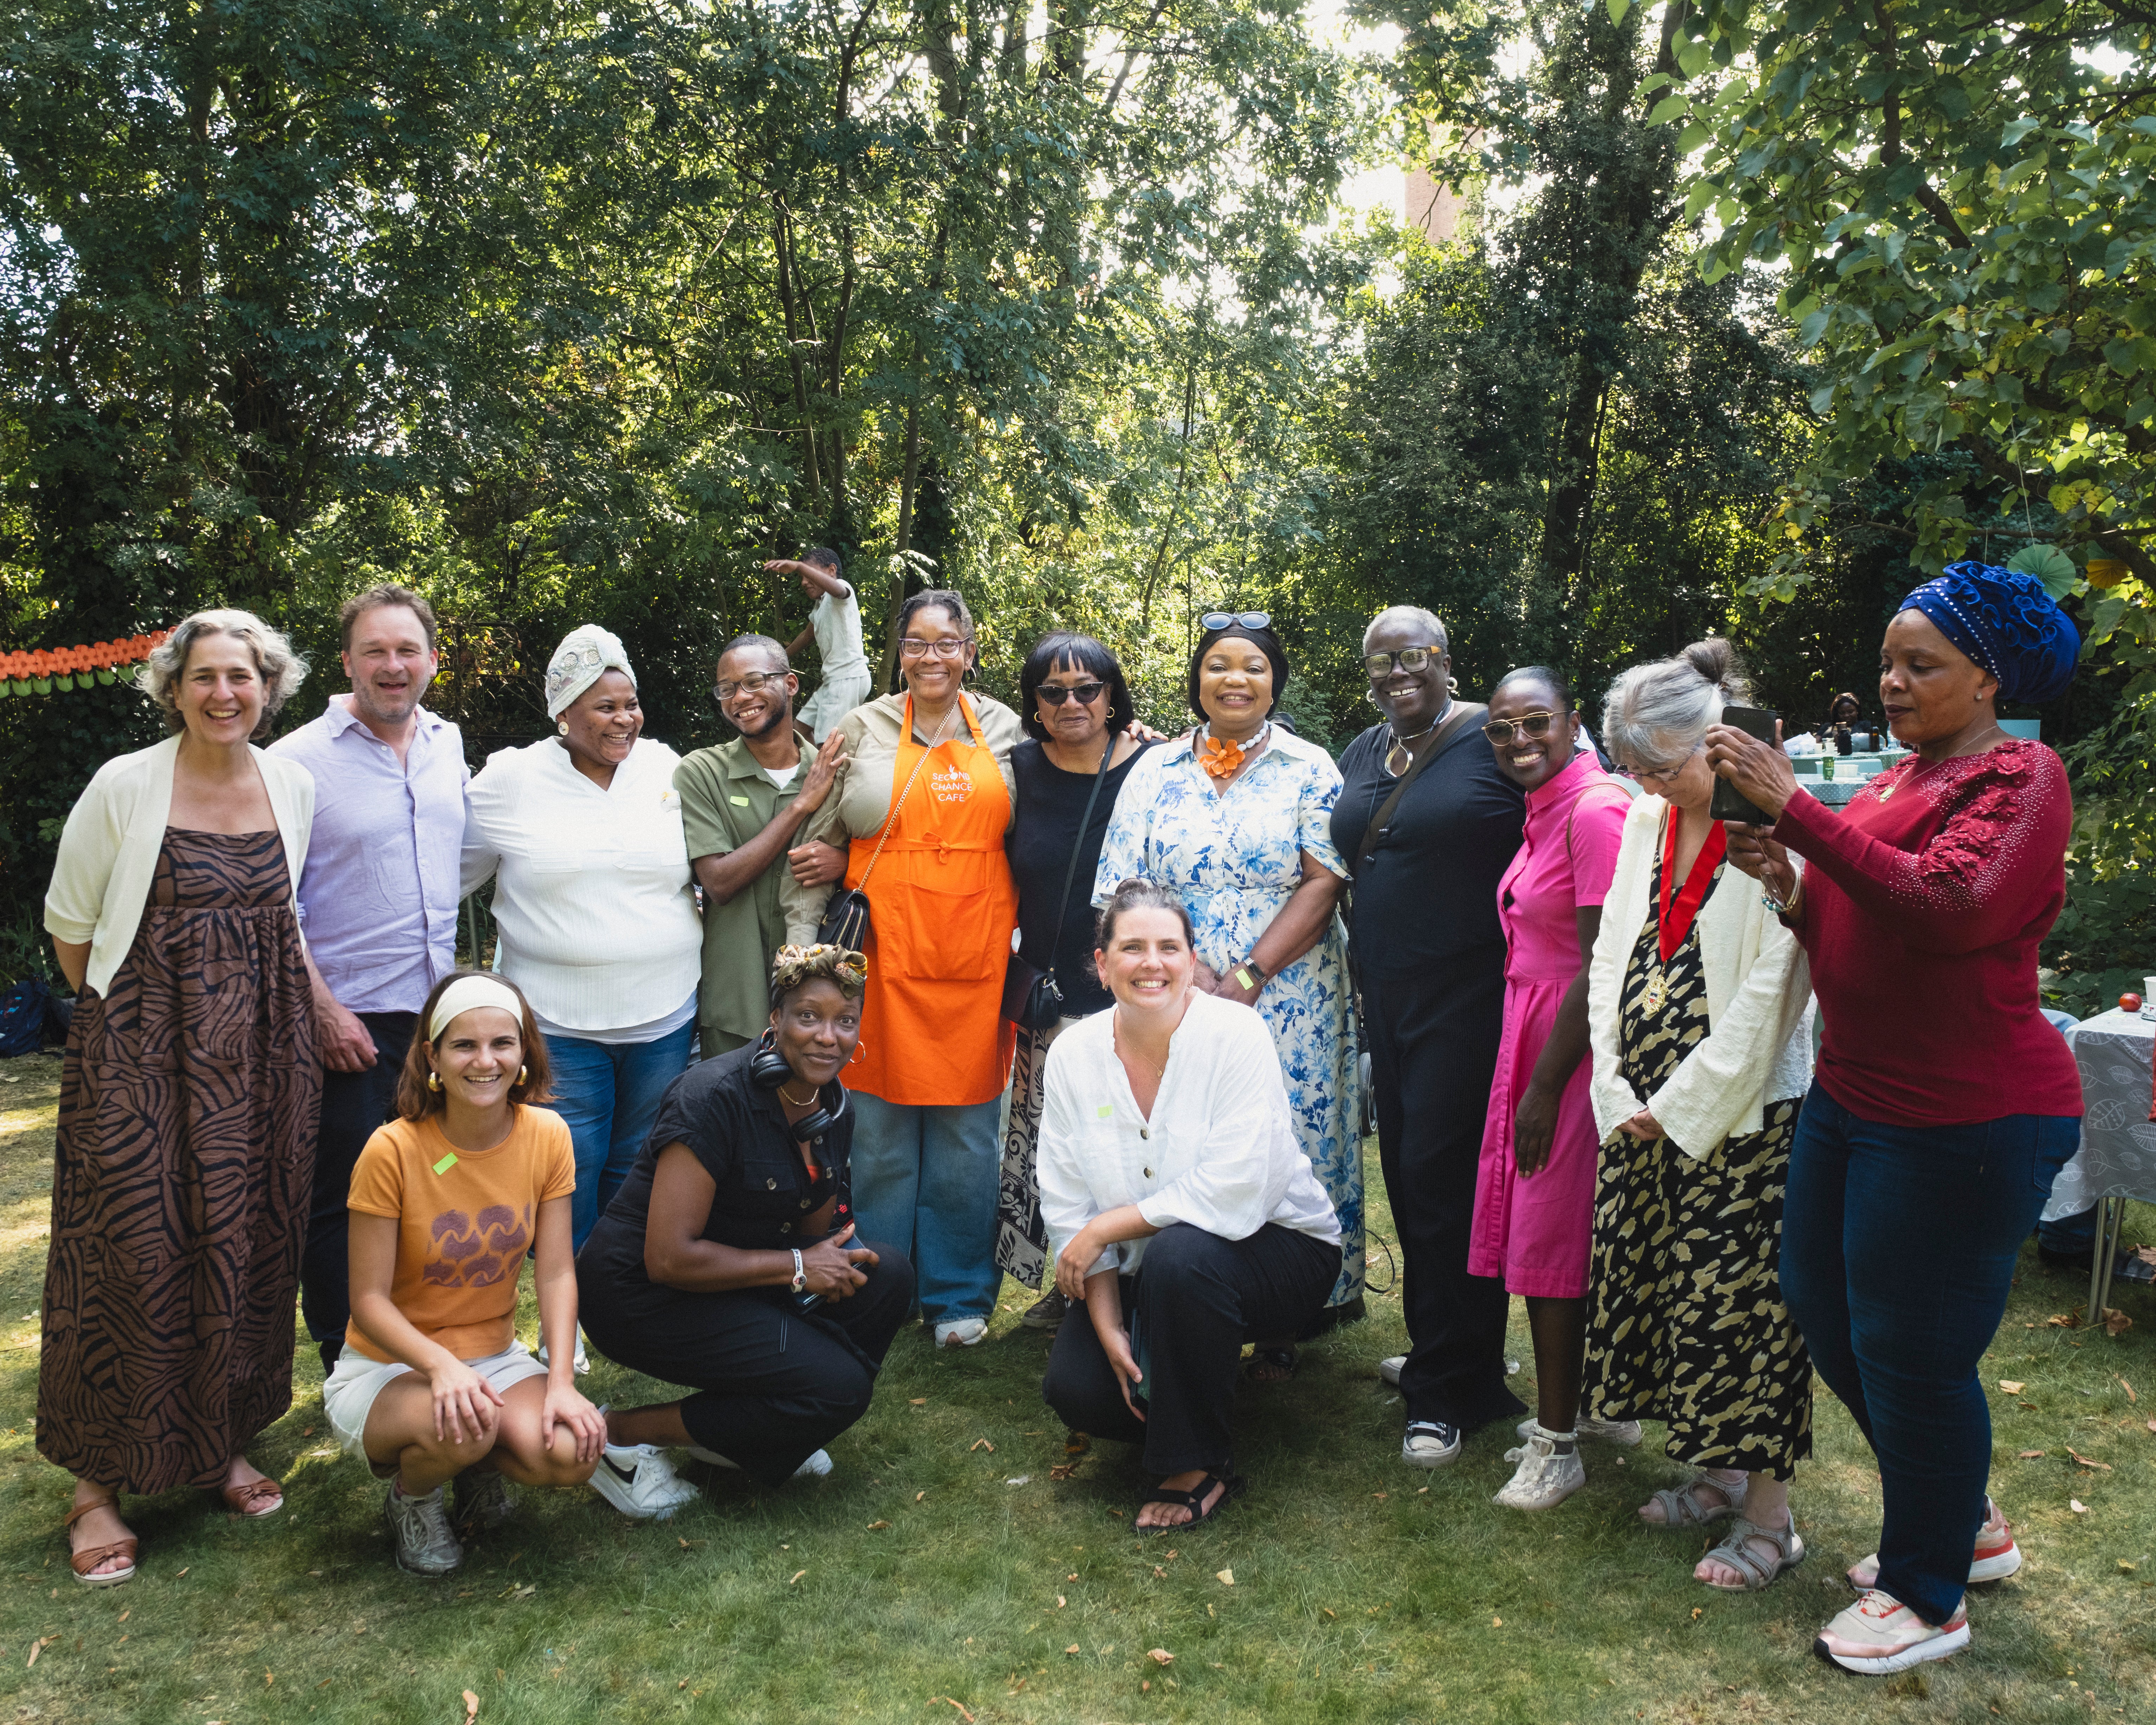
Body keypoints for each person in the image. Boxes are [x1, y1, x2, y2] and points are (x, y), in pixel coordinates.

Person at [1709, 559, 2083, 1674]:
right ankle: (1958, 1516)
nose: (1891, 681)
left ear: (1987, 677)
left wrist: (1798, 813)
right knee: (1823, 1306)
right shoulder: (1896, 780)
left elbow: (1951, 908)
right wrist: (1787, 878)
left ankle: (1929, 1591)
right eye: (1886, 661)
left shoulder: (2021, 777)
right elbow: (1855, 915)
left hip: (1966, 1116)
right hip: (1857, 1097)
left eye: (1920, 664)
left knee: (1912, 1351)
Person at [43, 609, 317, 1586]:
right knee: (126, 1254)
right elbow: (72, 927)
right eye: (203, 677)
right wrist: (131, 1026)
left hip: (262, 1059)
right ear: (174, 689)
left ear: (268, 686)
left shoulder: (292, 782)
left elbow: (284, 919)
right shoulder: (123, 784)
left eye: (241, 677)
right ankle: (95, 1488)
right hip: (140, 1058)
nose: (223, 694)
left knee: (246, 1245)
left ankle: (220, 1447)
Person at [1585, 641, 1817, 1589]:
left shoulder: (1777, 822)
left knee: (1743, 1308)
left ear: (1717, 743)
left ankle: (1770, 1519)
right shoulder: (1646, 817)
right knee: (1670, 1296)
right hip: (1639, 1109)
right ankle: (1717, 1476)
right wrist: (1612, 1083)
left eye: (1658, 765)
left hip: (1742, 1112)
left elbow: (1779, 984)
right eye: (1630, 769)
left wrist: (1683, 1103)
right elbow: (1611, 949)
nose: (1641, 785)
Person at [1093, 612, 1361, 1355]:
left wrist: (1245, 975)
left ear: (1275, 681)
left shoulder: (1311, 767)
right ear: (1197, 681)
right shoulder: (1154, 769)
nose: (1235, 678)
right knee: (1183, 1133)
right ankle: (1182, 1297)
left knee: (1284, 1138)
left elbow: (1326, 877)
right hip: (1169, 987)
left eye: (1252, 666)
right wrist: (1182, 972)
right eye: (1218, 664)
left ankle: (1284, 1317)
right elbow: (1119, 883)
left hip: (1291, 995)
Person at [1038, 880, 1341, 1528]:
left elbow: (1237, 1187)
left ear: (1190, 957)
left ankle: (1198, 1464)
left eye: (1168, 947)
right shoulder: (1070, 1056)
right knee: (1081, 1392)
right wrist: (1108, 1325)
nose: (1152, 963)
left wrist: (1104, 1229)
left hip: (1279, 1247)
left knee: (1182, 1255)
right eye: (1132, 948)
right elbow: (1069, 1203)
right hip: (1152, 1265)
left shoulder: (1235, 1033)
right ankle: (1185, 1371)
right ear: (1101, 962)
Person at [327, 971, 643, 1576]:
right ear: (432, 1058)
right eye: (464, 1045)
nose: (485, 1061)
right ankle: (413, 1498)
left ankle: (473, 1466)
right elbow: (367, 1301)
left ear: (524, 1052)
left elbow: (553, 1274)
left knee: (574, 1451)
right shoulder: (390, 1150)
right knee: (462, 1424)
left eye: (502, 1043)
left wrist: (558, 1382)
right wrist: (442, 1368)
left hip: (493, 1359)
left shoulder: (548, 1135)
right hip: (391, 1366)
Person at [780, 589, 1022, 1348]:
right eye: (916, 643)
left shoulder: (1010, 729)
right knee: (878, 1137)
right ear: (898, 651)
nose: (931, 657)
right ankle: (881, 1283)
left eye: (947, 642)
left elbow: (1075, 783)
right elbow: (814, 841)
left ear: (971, 651)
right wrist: (797, 955)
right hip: (879, 962)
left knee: (967, 1140)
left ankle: (957, 1296)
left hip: (978, 960)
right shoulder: (861, 725)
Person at [577, 944, 915, 1483]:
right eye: (808, 1016)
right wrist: (800, 1267)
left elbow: (812, 1234)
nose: (829, 1037)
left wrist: (818, 1254)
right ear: (775, 1019)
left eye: (845, 1022)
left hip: (738, 1279)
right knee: (839, 1387)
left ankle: (747, 1442)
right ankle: (616, 1433)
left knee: (888, 1277)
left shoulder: (832, 1105)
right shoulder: (711, 1097)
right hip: (640, 1295)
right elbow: (668, 1258)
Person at [1331, 605, 1527, 1467]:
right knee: (1416, 1188)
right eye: (1379, 661)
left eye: (1413, 657)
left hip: (1470, 995)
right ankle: (1460, 1355)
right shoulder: (1365, 749)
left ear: (1448, 658)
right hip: (1390, 999)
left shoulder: (1494, 737)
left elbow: (1576, 809)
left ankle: (1444, 1392)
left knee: (1439, 1181)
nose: (1395, 673)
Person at [270, 583, 469, 1372]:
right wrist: (321, 1009)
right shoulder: (293, 762)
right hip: (345, 1019)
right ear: (348, 660)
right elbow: (271, 899)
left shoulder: (447, 742)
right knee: (346, 1197)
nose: (393, 666)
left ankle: (420, 1334)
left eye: (407, 650)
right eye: (376, 651)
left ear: (430, 660)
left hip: (434, 1019)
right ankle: (346, 1360)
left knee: (431, 1183)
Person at [460, 624, 702, 1270]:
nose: (624, 719)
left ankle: (618, 1296)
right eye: (605, 707)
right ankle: (570, 1309)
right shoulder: (511, 778)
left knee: (637, 1160)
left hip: (663, 1016)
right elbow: (449, 874)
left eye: (630, 704)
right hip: (558, 1022)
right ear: (563, 713)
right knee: (567, 1166)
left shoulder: (666, 767)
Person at [1469, 667, 1632, 1509]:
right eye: (1502, 729)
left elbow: (1602, 963)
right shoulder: (1545, 809)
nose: (1519, 740)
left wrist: (1543, 1085)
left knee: (1551, 1247)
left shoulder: (1595, 808)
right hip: (1534, 1031)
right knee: (1556, 1233)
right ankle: (1599, 1407)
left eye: (1536, 722)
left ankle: (1558, 1442)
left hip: (1567, 1048)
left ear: (1572, 722)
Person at [996, 633, 1157, 1330]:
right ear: (1033, 703)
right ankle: (1071, 1285)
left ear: (1112, 693)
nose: (1071, 702)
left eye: (1087, 688)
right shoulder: (1017, 769)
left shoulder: (1152, 763)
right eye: (1053, 691)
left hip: (1134, 1001)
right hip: (1051, 999)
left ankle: (1146, 1290)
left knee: (1135, 1149)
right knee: (1055, 1152)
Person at [674, 634, 851, 1060]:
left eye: (754, 681)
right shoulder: (702, 771)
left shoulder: (836, 769)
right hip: (736, 999)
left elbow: (888, 857)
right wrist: (801, 807)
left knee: (811, 1122)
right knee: (732, 1122)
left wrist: (846, 862)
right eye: (727, 688)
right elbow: (717, 881)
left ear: (790, 684)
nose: (740, 697)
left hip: (822, 998)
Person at [772, 548, 873, 742]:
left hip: (847, 678)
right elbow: (807, 635)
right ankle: (818, 768)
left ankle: (831, 771)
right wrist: (780, 658)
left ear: (831, 571)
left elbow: (838, 590)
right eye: (802, 576)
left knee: (828, 743)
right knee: (799, 730)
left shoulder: (840, 590)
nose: (804, 581)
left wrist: (799, 566)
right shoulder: (821, 604)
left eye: (809, 573)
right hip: (834, 680)